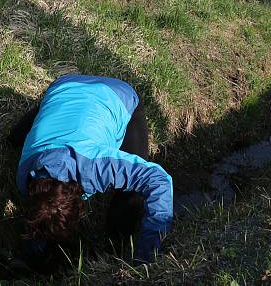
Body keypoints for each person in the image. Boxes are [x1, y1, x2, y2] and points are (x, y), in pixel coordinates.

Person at [13, 75, 173, 266]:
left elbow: (158, 179)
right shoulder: (25, 175)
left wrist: (148, 254)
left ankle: (117, 244)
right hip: (64, 86)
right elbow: (45, 211)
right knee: (14, 140)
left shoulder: (96, 167)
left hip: (118, 95)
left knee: (132, 194)